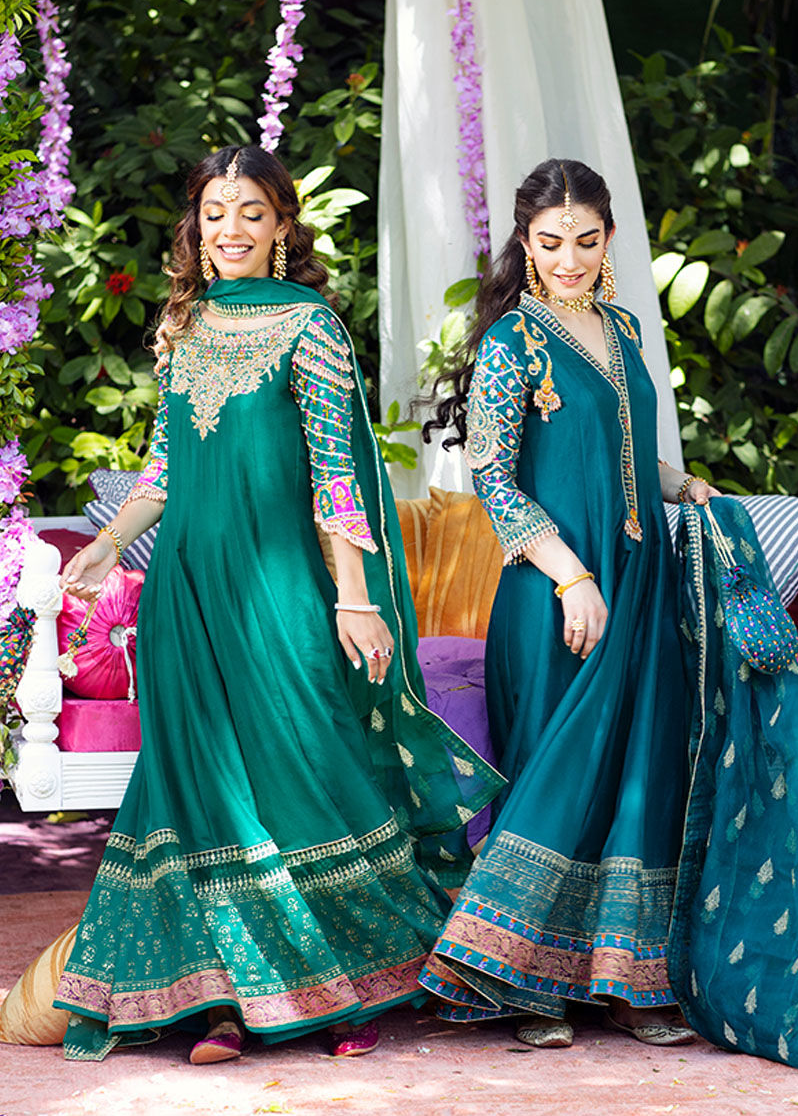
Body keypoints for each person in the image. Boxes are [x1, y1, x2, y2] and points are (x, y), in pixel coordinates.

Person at [416, 159, 798, 1070]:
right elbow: (493, 478)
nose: (568, 258)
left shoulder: (624, 325)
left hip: (640, 583)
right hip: (557, 595)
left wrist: (686, 487)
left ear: (609, 238)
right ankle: (527, 985)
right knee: (559, 775)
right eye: (549, 242)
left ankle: (630, 983)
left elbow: (632, 454)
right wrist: (571, 576)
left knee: (641, 776)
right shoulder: (512, 343)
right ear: (525, 242)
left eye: (585, 240)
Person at [55, 144, 502, 1065]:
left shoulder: (311, 326)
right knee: (201, 794)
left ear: (282, 227)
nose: (231, 229)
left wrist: (354, 600)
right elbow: (165, 466)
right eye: (215, 212)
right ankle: (224, 1002)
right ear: (197, 225)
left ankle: (347, 989)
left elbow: (337, 476)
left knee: (308, 771)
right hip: (187, 593)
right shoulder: (185, 322)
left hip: (282, 591)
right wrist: (105, 543)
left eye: (251, 213)